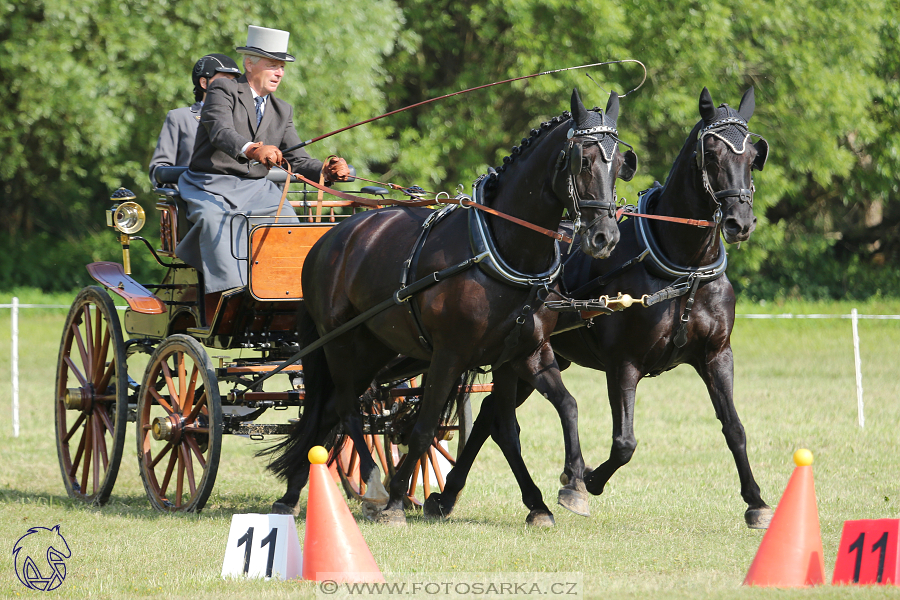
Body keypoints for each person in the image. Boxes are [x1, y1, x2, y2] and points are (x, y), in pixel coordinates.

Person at [175, 25, 350, 295]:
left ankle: (286, 293)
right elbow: (220, 131)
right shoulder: (223, 89)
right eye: (273, 65)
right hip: (210, 185)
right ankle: (230, 298)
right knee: (213, 221)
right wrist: (253, 149)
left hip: (257, 189)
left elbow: (297, 159)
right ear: (249, 63)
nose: (279, 73)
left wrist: (327, 170)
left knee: (288, 223)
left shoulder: (282, 110)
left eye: (282, 66)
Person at [148, 54, 242, 186]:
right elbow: (159, 169)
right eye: (225, 81)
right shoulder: (180, 118)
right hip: (190, 197)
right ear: (204, 83)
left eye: (234, 82)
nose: (232, 87)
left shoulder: (244, 119)